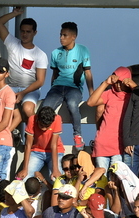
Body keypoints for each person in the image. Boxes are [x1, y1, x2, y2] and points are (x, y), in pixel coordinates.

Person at [0, 7, 48, 127]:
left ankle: (35, 138)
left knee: (28, 110)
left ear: (35, 33)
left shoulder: (40, 54)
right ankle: (8, 136)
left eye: (28, 32)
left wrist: (23, 93)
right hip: (11, 88)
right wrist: (15, 13)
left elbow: (40, 81)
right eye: (22, 31)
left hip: (30, 90)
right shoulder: (12, 43)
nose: (24, 34)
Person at [45, 21, 94, 150]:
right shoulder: (55, 52)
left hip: (74, 88)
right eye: (60, 35)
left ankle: (77, 135)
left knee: (72, 105)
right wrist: (51, 90)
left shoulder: (83, 50)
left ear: (74, 36)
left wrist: (91, 92)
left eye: (65, 35)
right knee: (46, 108)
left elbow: (88, 72)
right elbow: (54, 73)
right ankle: (50, 136)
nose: (61, 38)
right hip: (57, 87)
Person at [85, 67, 132, 173]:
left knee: (116, 180)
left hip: (119, 146)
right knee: (102, 180)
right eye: (116, 82)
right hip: (103, 144)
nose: (118, 85)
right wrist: (106, 83)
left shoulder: (133, 97)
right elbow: (90, 102)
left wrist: (132, 85)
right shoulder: (109, 93)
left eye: (121, 82)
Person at [16, 106, 63, 181]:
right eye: (41, 125)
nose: (44, 129)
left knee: (57, 179)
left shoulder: (57, 119)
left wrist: (56, 169)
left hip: (55, 152)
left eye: (47, 126)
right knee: (24, 178)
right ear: (38, 119)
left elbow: (53, 145)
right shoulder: (32, 119)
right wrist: (25, 169)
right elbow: (28, 145)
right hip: (36, 151)